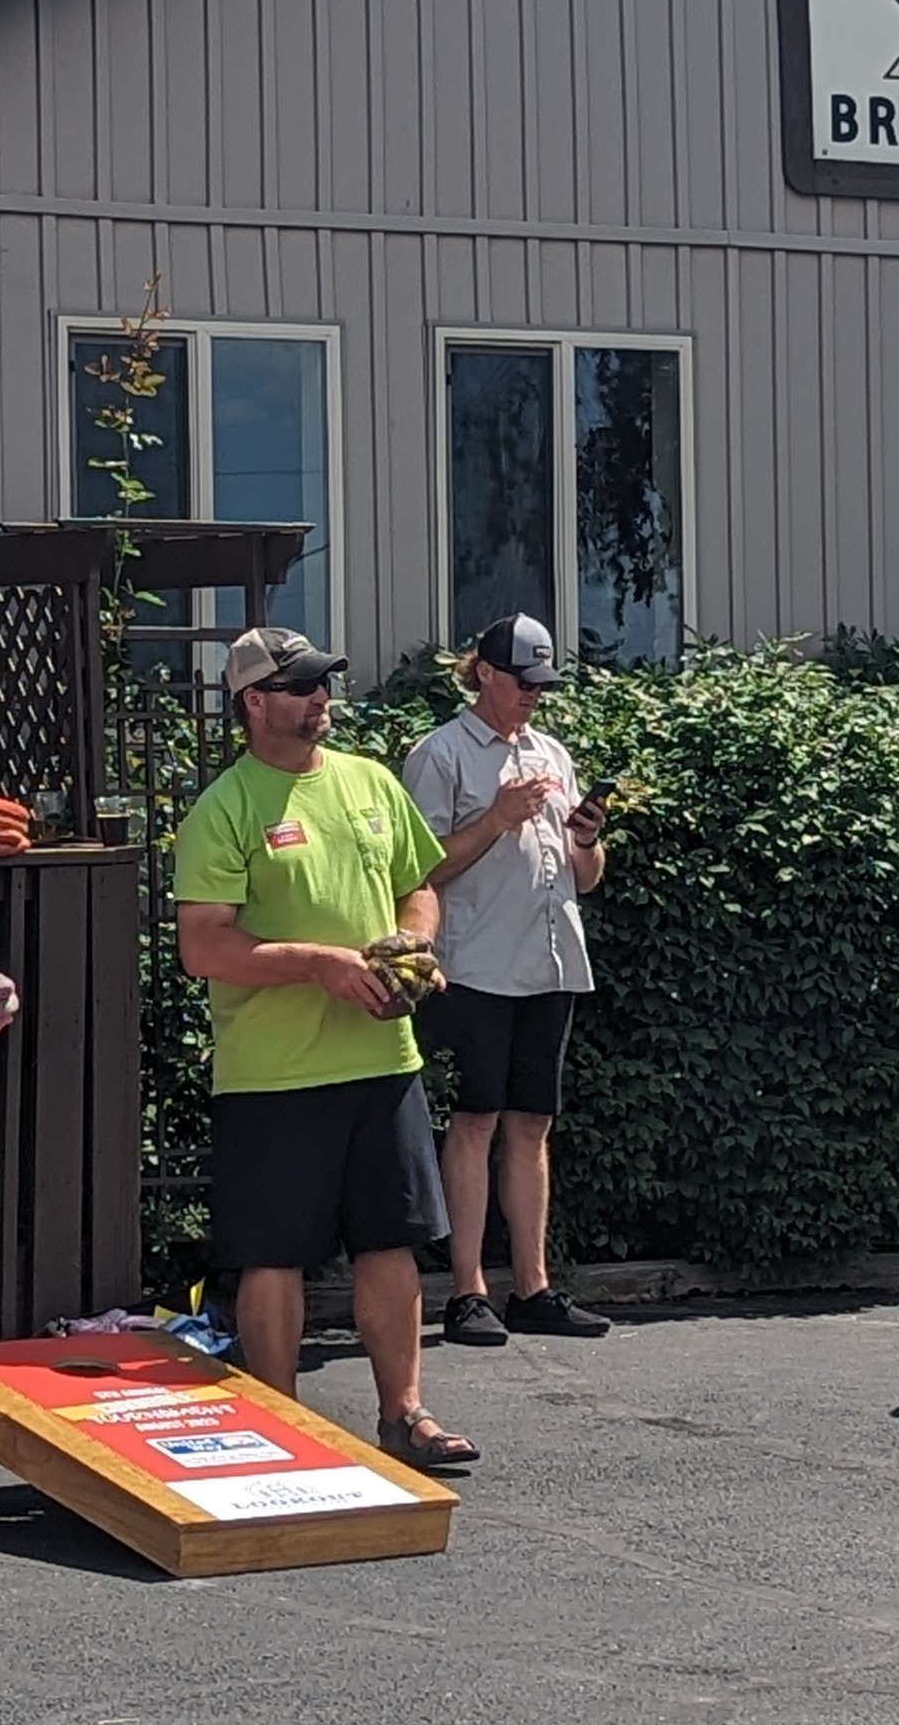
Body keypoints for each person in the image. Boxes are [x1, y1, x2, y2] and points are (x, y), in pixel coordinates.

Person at [170, 628, 475, 1471]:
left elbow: (420, 883)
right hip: (274, 1076)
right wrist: (318, 964)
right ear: (253, 703)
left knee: (391, 1241)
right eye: (299, 685)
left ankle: (403, 1413)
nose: (319, 697)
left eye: (322, 682)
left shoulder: (369, 782)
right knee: (274, 1256)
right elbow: (204, 948)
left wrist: (411, 947)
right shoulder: (225, 808)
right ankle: (281, 1428)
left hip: (383, 1063)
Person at [400, 615, 613, 1348]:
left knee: (532, 1124)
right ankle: (466, 1292)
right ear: (484, 673)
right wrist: (494, 818)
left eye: (544, 686)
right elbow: (417, 870)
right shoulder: (441, 754)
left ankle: (534, 1286)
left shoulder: (550, 751)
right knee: (476, 1121)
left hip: (551, 965)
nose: (534, 698)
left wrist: (585, 837)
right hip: (477, 969)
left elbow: (584, 876)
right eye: (525, 683)